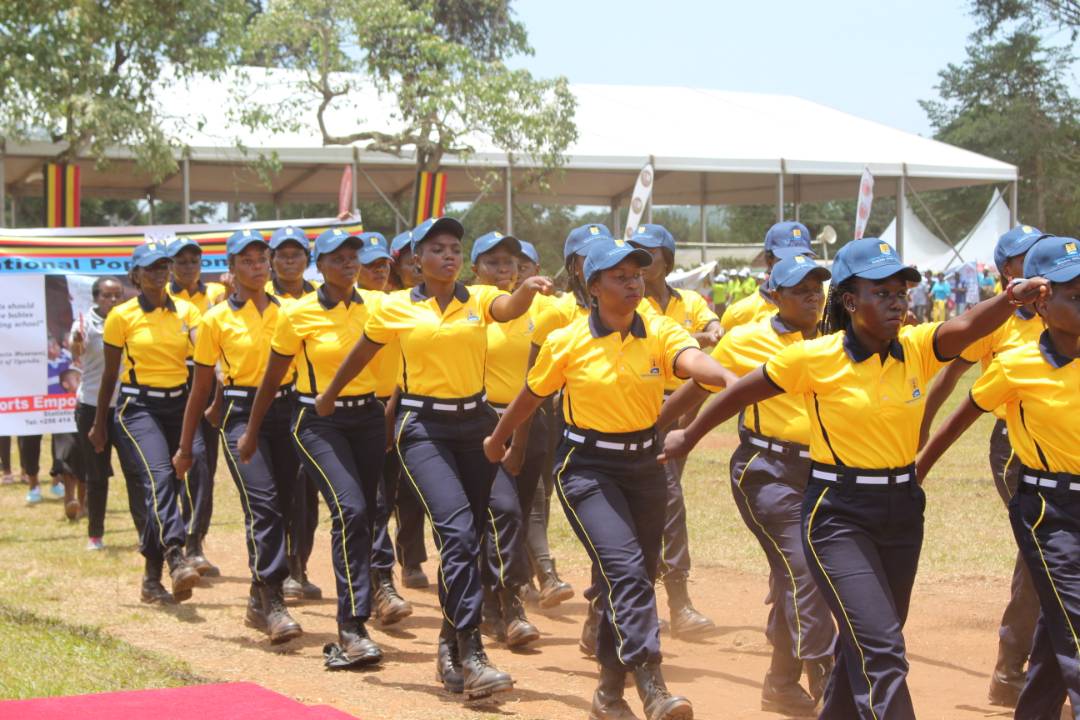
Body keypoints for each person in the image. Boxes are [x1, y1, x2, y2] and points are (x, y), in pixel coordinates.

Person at [659, 236, 1048, 719]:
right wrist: (687, 437)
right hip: (838, 513)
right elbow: (738, 394)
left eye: (901, 292)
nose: (896, 301)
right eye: (881, 292)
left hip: (903, 510)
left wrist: (1010, 300)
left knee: (867, 642)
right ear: (849, 300)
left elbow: (966, 325)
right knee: (883, 650)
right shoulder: (814, 357)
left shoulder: (917, 347)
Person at [484, 235, 738, 720]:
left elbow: (693, 366)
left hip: (645, 467)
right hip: (587, 470)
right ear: (592, 284)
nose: (633, 283)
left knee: (628, 578)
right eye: (620, 276)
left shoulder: (659, 330)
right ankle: (652, 685)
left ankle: (606, 691)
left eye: (637, 274)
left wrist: (722, 376)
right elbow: (530, 397)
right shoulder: (568, 340)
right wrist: (500, 440)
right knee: (625, 571)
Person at [316, 216, 553, 698]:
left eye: (455, 249)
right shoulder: (395, 307)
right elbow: (363, 353)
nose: (449, 256)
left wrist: (527, 289)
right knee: (457, 529)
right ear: (416, 260)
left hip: (475, 423)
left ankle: (449, 643)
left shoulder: (481, 299)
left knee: (478, 531)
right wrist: (330, 395)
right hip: (422, 427)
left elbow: (509, 309)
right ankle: (472, 653)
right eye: (438, 249)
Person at [660, 253, 838, 714]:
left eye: (818, 286)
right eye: (800, 289)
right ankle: (827, 679)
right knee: (805, 567)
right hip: (767, 470)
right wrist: (659, 430)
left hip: (823, 474)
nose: (813, 296)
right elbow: (700, 386)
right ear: (773, 296)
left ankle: (780, 682)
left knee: (791, 575)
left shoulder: (837, 339)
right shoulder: (747, 339)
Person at [917, 234, 1080, 720]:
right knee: (1069, 609)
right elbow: (961, 406)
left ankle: (1025, 696)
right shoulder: (1015, 359)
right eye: (1075, 293)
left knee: (1059, 622)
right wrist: (917, 467)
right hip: (1043, 497)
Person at [243, 228, 386, 667]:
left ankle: (357, 606)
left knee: (368, 513)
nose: (348, 263)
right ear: (318, 266)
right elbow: (272, 378)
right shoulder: (298, 314)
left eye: (353, 257)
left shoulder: (378, 306)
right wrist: (250, 431)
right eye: (337, 257)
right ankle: (352, 626)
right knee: (350, 511)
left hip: (369, 419)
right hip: (317, 421)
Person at [174, 229, 304, 644]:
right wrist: (185, 446)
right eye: (246, 261)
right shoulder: (214, 319)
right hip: (240, 413)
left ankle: (256, 598)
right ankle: (274, 599)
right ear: (230, 269)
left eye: (261, 259)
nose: (257, 267)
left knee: (285, 505)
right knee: (262, 504)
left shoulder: (290, 310)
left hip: (286, 410)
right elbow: (199, 388)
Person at [89, 240, 204, 605]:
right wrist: (99, 423)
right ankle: (175, 553)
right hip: (138, 408)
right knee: (158, 478)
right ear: (135, 274)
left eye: (163, 266)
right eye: (151, 267)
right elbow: (109, 376)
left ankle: (151, 578)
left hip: (178, 406)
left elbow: (203, 355)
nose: (159, 272)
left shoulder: (187, 312)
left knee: (170, 486)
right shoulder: (121, 316)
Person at [629, 223, 721, 640]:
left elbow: (712, 330)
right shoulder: (631, 302)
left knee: (657, 502)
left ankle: (631, 602)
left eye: (649, 254)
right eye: (635, 254)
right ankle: (674, 602)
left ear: (666, 258)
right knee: (666, 500)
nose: (641, 263)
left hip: (683, 403)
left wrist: (704, 334)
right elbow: (685, 341)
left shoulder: (688, 301)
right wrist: (697, 338)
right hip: (643, 408)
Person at [469, 231, 544, 648]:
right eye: (494, 262)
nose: (503, 269)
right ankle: (508, 602)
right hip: (478, 424)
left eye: (510, 262)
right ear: (475, 268)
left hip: (528, 423)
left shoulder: (538, 310)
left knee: (514, 514)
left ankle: (495, 605)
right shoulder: (468, 308)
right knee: (500, 513)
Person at [355, 231, 414, 628]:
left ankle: (377, 584)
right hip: (349, 412)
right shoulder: (343, 307)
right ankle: (378, 582)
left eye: (383, 265)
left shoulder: (396, 304)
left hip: (391, 407)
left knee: (383, 501)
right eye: (370, 264)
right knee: (367, 504)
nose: (379, 271)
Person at [264, 225, 323, 602]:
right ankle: (281, 568)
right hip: (270, 400)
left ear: (308, 259)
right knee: (277, 490)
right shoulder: (261, 298)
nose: (289, 261)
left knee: (307, 490)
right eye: (282, 255)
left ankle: (300, 564)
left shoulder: (322, 297)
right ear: (271, 261)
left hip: (307, 401)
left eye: (296, 254)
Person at [514, 240, 574, 610]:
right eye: (508, 264)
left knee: (539, 497)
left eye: (524, 265)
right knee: (524, 499)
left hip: (544, 414)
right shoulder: (484, 308)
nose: (516, 272)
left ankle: (528, 573)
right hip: (496, 414)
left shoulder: (550, 308)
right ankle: (541, 574)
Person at [71, 277, 145, 550]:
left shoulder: (129, 320)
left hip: (126, 406)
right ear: (96, 298)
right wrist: (77, 341)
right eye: (107, 296)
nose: (113, 301)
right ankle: (95, 535)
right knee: (96, 474)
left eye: (117, 296)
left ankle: (143, 534)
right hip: (91, 406)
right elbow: (75, 350)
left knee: (135, 472)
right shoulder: (83, 324)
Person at [166, 236, 224, 577]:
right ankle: (173, 537)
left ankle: (196, 543)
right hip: (178, 380)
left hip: (212, 379)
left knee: (205, 466)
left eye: (193, 260)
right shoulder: (166, 296)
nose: (188, 266)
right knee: (179, 462)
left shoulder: (215, 293)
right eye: (181, 261)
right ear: (171, 265)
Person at [385, 228, 431, 589]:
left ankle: (414, 558)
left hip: (426, 397)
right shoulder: (386, 304)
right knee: (395, 488)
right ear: (397, 264)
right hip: (391, 398)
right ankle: (399, 560)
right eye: (408, 258)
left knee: (418, 488)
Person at [720, 222, 816, 333]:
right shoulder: (738, 315)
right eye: (788, 259)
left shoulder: (822, 304)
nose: (798, 265)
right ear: (769, 261)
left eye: (804, 258)